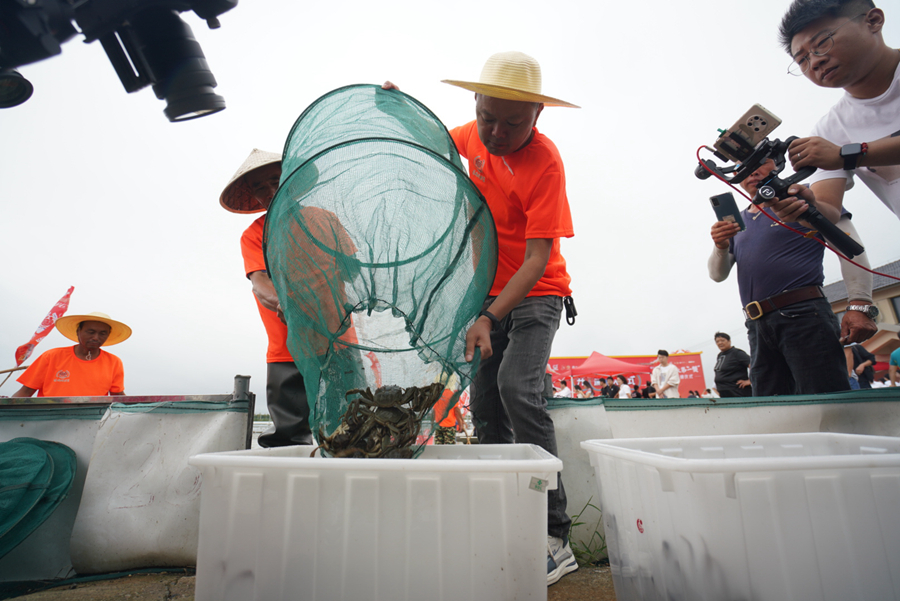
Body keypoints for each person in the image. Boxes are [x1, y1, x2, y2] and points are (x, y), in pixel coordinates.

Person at [385, 51, 579, 585]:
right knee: (487, 402)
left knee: (520, 388)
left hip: (536, 292)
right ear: (475, 103)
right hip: (486, 290)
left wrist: (489, 317)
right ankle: (504, 512)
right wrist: (399, 110)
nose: (495, 132)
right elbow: (425, 142)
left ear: (538, 115)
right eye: (487, 116)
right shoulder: (471, 136)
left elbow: (538, 259)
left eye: (513, 123)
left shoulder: (545, 162)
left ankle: (555, 533)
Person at [770, 0, 898, 342]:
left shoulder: (837, 145)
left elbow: (842, 156)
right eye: (801, 59)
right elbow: (828, 208)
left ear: (873, 20)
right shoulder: (831, 128)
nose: (815, 61)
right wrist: (803, 205)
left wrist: (847, 154)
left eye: (822, 42)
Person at [709, 159, 855, 395]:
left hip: (805, 314)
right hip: (757, 324)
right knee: (770, 406)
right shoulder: (738, 222)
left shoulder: (802, 199)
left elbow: (852, 249)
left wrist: (860, 303)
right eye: (741, 169)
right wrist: (721, 245)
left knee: (825, 400)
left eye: (758, 162)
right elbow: (717, 274)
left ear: (776, 164)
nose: (751, 171)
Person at [221, 149, 314, 447]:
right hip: (287, 353)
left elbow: (352, 275)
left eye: (276, 180)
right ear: (254, 196)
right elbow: (260, 282)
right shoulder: (254, 234)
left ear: (290, 179)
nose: (271, 191)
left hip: (338, 346)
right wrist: (288, 304)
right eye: (260, 187)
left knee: (353, 430)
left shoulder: (324, 220)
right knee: (291, 439)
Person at [13, 311, 130, 397]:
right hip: (49, 420)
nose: (96, 337)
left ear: (108, 335)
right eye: (91, 332)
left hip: (94, 421)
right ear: (78, 331)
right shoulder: (52, 356)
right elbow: (25, 392)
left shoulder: (114, 362)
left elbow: (117, 395)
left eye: (102, 333)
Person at [713, 332, 753, 398]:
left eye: (722, 340)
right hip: (724, 393)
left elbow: (753, 365)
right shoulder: (720, 355)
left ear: (729, 341)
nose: (720, 343)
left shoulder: (737, 353)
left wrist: (750, 380)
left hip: (738, 393)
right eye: (717, 341)